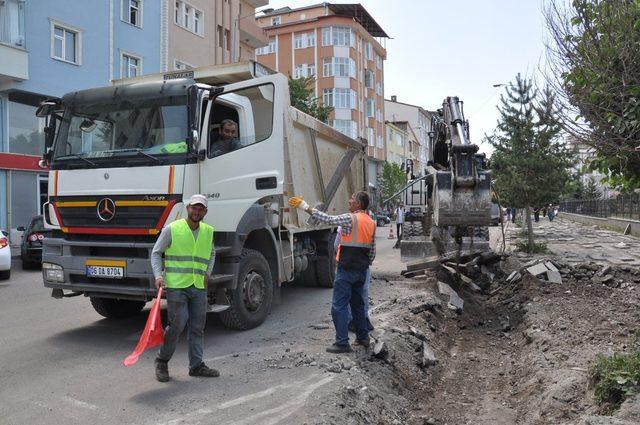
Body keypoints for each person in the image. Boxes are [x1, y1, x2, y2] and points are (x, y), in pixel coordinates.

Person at [289, 192, 375, 353]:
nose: (349, 200)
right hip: (361, 271)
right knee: (358, 305)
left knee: (339, 306)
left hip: (346, 270)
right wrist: (363, 265)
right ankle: (363, 337)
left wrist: (305, 207)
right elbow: (372, 251)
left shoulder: (350, 218)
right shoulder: (371, 222)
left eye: (352, 199)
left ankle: (342, 343)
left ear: (358, 204)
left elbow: (328, 219)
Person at [151, 194, 219, 382]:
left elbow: (212, 253)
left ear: (205, 212)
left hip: (198, 286)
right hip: (176, 286)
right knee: (177, 325)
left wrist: (207, 273)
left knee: (197, 327)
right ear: (188, 208)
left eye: (201, 209)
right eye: (194, 208)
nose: (197, 211)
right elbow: (156, 253)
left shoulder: (207, 231)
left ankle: (196, 366)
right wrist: (158, 276)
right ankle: (162, 361)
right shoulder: (172, 229)